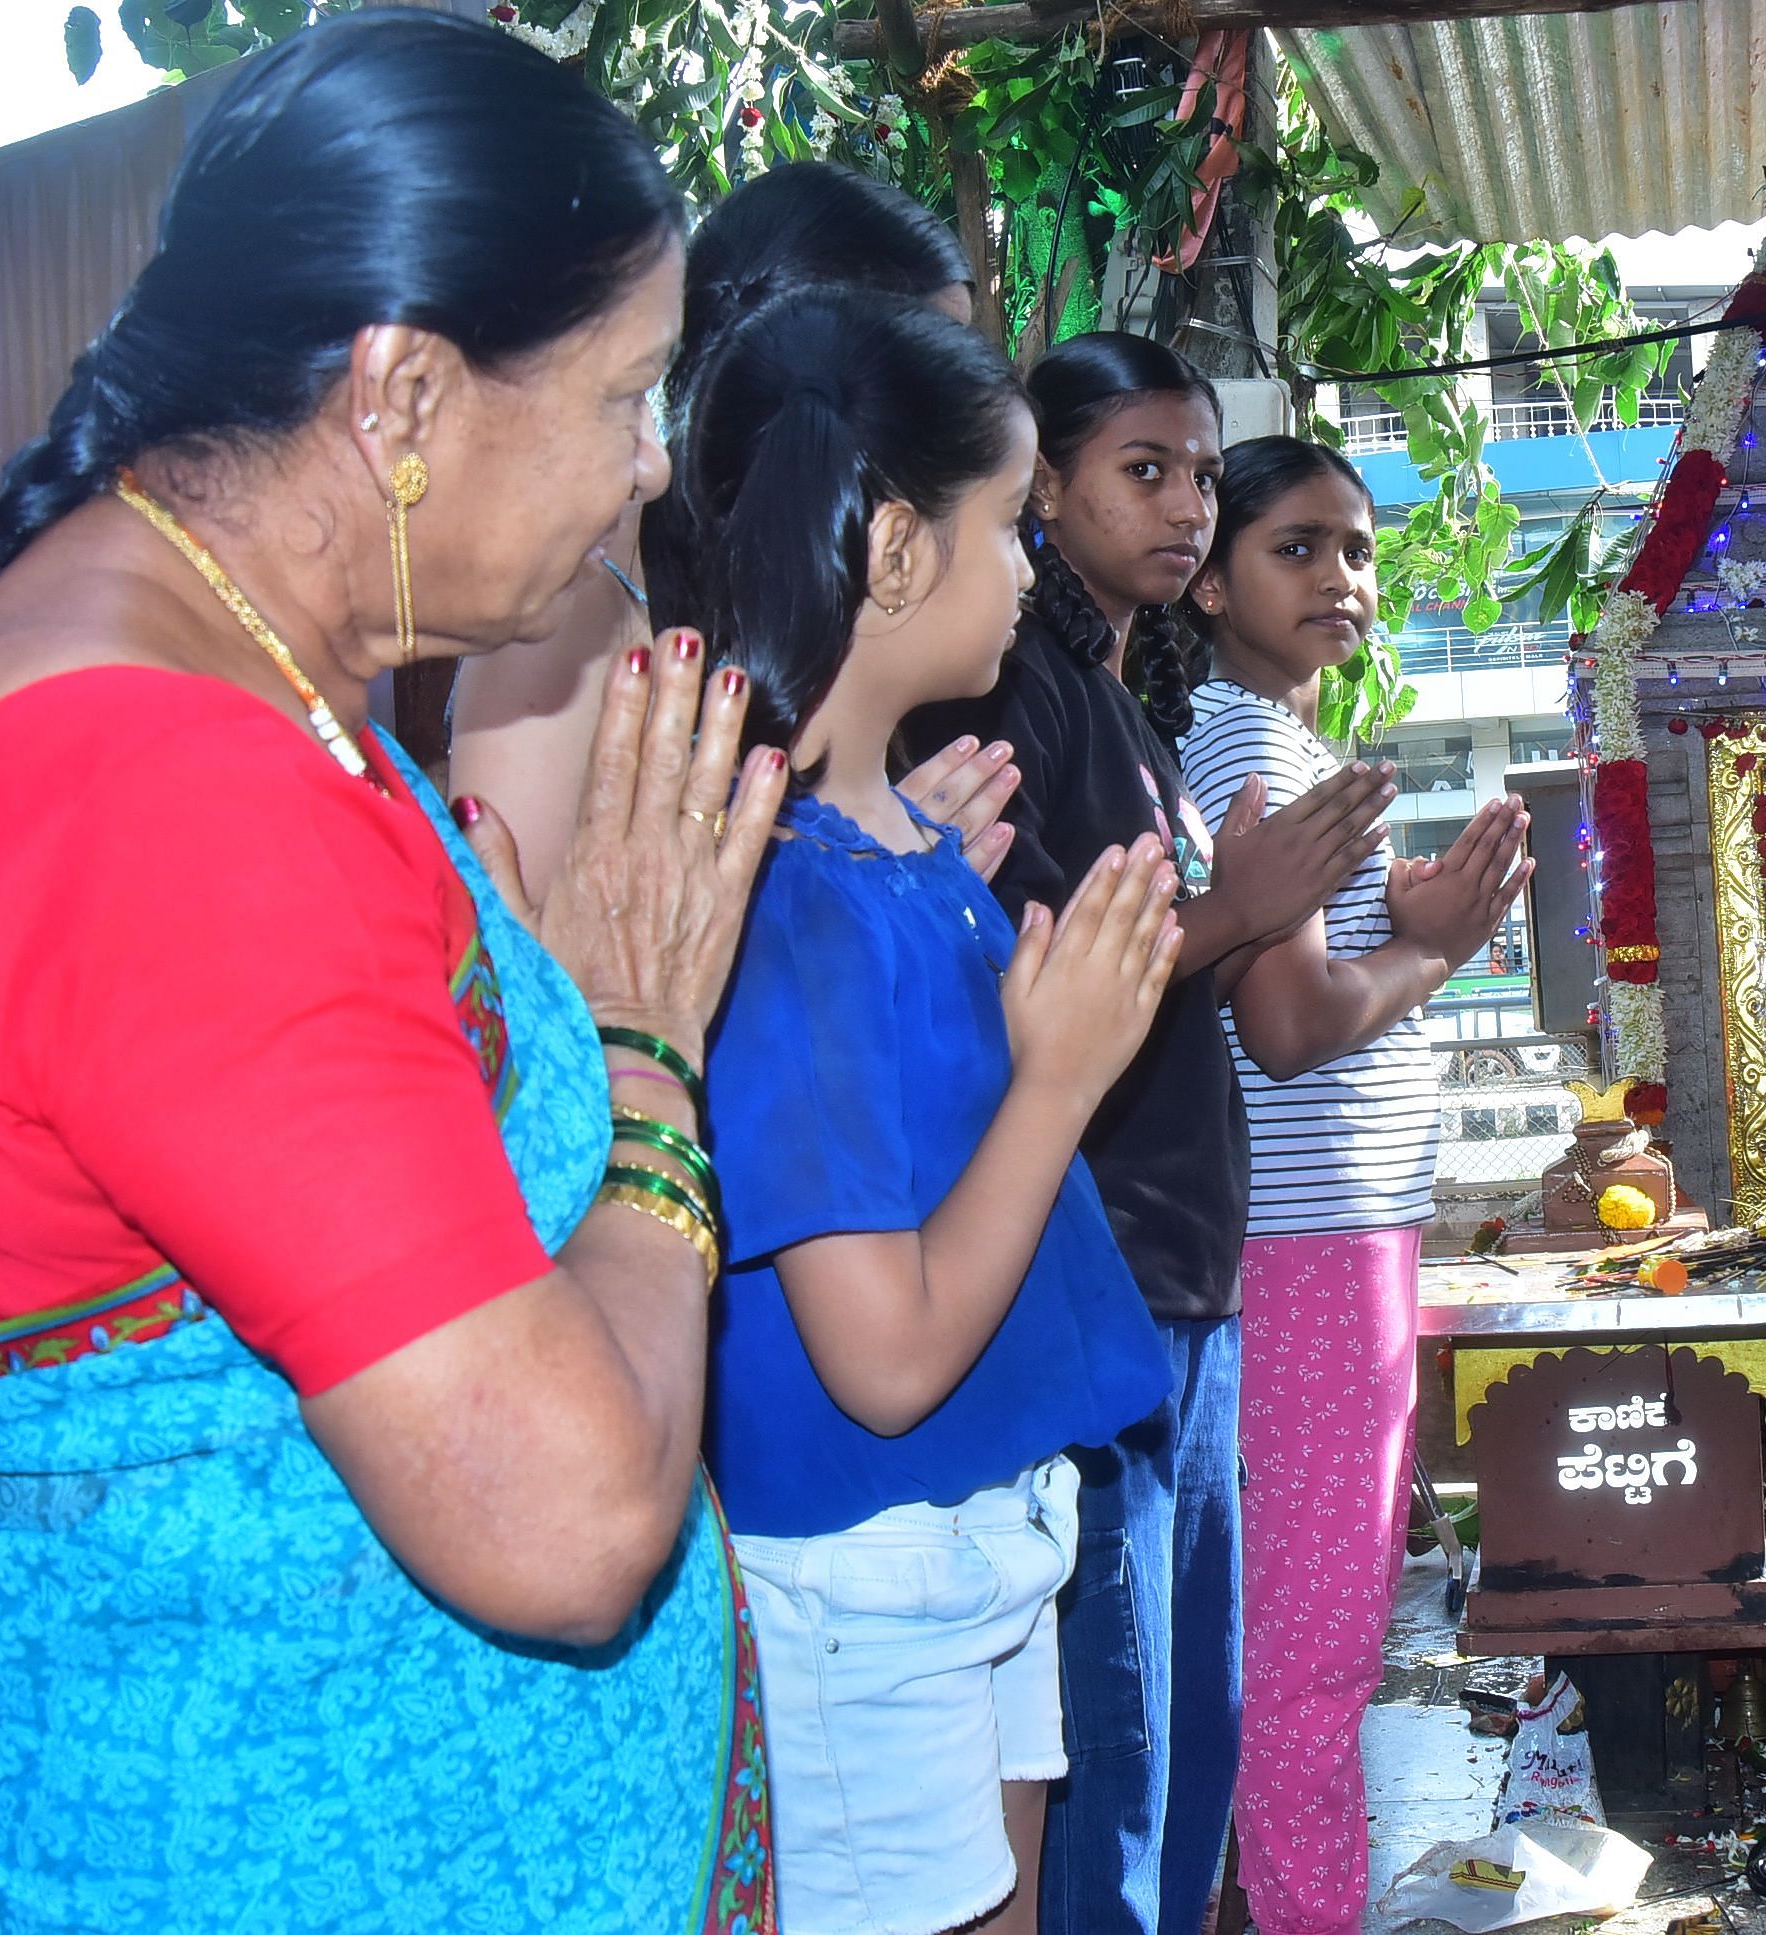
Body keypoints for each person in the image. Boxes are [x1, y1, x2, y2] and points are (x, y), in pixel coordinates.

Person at [0, 16, 782, 1930]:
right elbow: (560, 1523)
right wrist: (643, 1060)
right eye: (625, 395)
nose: (646, 469)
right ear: (399, 398)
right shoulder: (162, 800)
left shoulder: (218, 661)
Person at [661, 285, 1181, 1935]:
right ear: (893, 552)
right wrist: (1060, 1074)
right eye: (1007, 526)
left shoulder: (882, 850)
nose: (1031, 571)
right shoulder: (792, 896)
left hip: (967, 1536)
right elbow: (880, 1360)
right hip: (864, 1581)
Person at [906, 336, 1395, 1935]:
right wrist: (1237, 912)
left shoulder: (1118, 694)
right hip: (1094, 1268)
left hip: (1190, 1276)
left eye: (1198, 472)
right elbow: (1031, 986)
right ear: (1040, 488)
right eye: (1144, 470)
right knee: (1113, 1735)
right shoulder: (1013, 694)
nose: (1184, 503)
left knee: (1193, 1717)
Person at [1174, 439, 1532, 1935]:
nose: (1342, 579)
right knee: (1311, 1651)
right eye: (1295, 548)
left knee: (1313, 1636)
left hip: (1340, 1244)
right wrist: (1438, 948)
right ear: (1207, 581)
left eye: (1358, 549)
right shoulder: (1237, 744)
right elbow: (1290, 1021)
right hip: (1307, 1252)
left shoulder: (1284, 744)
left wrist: (1410, 919)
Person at [452, 161, 1016, 900]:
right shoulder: (573, 612)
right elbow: (520, 964)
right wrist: (847, 876)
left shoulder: (861, 586)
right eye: (932, 374)